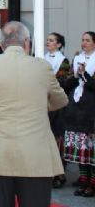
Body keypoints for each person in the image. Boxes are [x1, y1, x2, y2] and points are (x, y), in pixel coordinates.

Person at [0, 21, 68, 207]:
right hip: (35, 154)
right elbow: (61, 101)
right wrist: (36, 105)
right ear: (27, 43)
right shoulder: (43, 67)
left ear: (2, 43)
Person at [62, 31, 95, 197]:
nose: (84, 43)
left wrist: (85, 74)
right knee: (81, 149)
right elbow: (69, 85)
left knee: (91, 149)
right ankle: (83, 180)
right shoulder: (77, 59)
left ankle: (93, 183)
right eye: (82, 40)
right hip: (77, 108)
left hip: (91, 109)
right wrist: (76, 76)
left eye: (87, 40)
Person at [44, 31, 70, 189]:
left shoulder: (64, 60)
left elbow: (63, 82)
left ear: (59, 44)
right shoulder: (40, 57)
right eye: (47, 40)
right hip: (42, 102)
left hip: (57, 104)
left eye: (51, 40)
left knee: (57, 138)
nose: (48, 43)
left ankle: (59, 173)